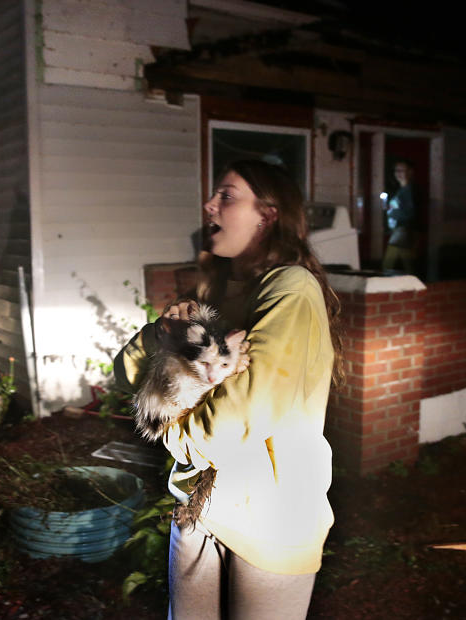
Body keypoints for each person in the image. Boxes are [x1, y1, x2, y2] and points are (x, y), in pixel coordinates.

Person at [114, 159, 344, 619]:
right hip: (199, 510)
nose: (209, 204)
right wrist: (162, 334)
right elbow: (125, 375)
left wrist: (168, 426)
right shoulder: (217, 293)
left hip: (270, 522)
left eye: (228, 195)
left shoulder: (291, 291)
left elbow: (228, 429)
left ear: (268, 214)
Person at [381, 160, 419, 273]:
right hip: (399, 230)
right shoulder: (401, 191)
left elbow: (409, 212)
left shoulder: (408, 191)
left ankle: (384, 281)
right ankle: (413, 281)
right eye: (396, 170)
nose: (398, 173)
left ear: (410, 172)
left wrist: (393, 212)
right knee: (407, 261)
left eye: (401, 170)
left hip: (403, 230)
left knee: (389, 262)